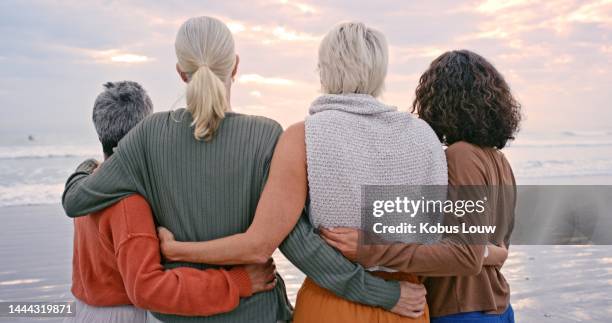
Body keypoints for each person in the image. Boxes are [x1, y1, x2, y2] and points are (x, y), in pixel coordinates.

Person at [62, 17, 415, 323]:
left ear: (180, 72)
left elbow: (77, 201)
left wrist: (86, 167)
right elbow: (301, 245)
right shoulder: (266, 135)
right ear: (234, 66)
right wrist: (382, 293)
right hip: (257, 312)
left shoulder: (148, 135)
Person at [157, 22, 448, 323]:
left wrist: (175, 250)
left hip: (329, 303)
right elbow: (442, 240)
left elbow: (264, 241)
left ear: (323, 70)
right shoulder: (423, 136)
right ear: (381, 71)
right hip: (407, 302)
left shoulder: (302, 137)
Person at [318, 50, 520, 323]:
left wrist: (371, 248)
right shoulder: (500, 163)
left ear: (439, 101)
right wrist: (483, 251)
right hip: (498, 308)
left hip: (461, 310)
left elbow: (465, 255)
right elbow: (497, 251)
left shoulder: (460, 156)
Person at [66, 81, 277, 323]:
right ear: (143, 133)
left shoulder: (91, 185)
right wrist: (237, 283)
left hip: (82, 310)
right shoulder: (127, 202)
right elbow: (148, 289)